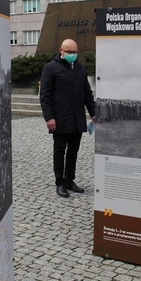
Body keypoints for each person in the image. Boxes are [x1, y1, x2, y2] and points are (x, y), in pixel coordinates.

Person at [39, 39, 96, 198]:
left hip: (77, 118)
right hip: (59, 118)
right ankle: (60, 182)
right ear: (61, 51)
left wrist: (93, 112)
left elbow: (87, 93)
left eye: (75, 52)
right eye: (69, 52)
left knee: (73, 151)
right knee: (59, 151)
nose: (72, 55)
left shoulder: (80, 68)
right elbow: (45, 95)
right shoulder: (50, 68)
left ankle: (70, 180)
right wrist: (49, 117)